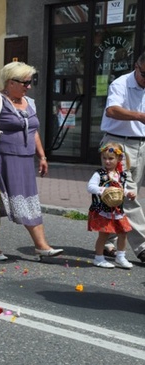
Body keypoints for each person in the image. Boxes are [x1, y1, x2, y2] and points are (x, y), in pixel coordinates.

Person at [0, 61, 63, 261]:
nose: (28, 86)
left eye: (30, 82)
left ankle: (41, 246)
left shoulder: (29, 102)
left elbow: (33, 131)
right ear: (10, 82)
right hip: (0, 161)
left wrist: (41, 156)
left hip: (24, 162)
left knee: (29, 201)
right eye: (25, 82)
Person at [99, 51, 145, 263]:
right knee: (128, 194)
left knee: (119, 196)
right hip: (118, 143)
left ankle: (107, 238)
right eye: (144, 75)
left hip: (140, 143)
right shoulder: (121, 83)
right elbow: (112, 110)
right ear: (137, 66)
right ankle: (143, 246)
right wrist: (139, 116)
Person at [87, 142, 135, 269]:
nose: (107, 161)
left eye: (111, 158)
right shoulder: (100, 174)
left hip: (118, 209)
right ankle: (98, 258)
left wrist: (128, 193)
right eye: (104, 158)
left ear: (119, 159)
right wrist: (103, 190)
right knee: (104, 234)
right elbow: (90, 187)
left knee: (124, 232)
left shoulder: (121, 175)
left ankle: (120, 256)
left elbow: (121, 189)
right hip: (104, 209)